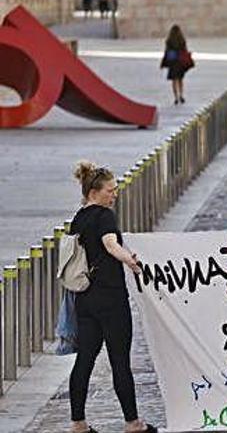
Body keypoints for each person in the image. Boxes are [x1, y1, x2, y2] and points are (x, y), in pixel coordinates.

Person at [68, 161, 158, 433]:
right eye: (111, 190)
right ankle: (133, 423)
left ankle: (78, 424)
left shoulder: (78, 218)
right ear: (95, 192)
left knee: (84, 359)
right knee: (120, 361)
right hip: (110, 298)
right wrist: (130, 260)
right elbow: (110, 244)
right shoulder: (104, 215)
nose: (114, 194)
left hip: (85, 298)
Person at [160, 24, 192, 105]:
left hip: (173, 63)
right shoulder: (182, 40)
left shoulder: (169, 41)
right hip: (180, 62)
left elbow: (166, 52)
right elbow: (185, 51)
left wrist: (163, 63)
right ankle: (181, 95)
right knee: (180, 80)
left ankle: (176, 97)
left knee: (174, 81)